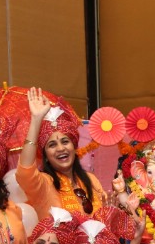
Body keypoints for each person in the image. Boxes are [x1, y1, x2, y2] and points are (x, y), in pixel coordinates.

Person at [17, 87, 105, 219]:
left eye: (65, 141)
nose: (60, 148)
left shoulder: (91, 180)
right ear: (46, 157)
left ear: (74, 147)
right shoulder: (44, 184)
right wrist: (36, 119)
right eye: (52, 145)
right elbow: (25, 170)